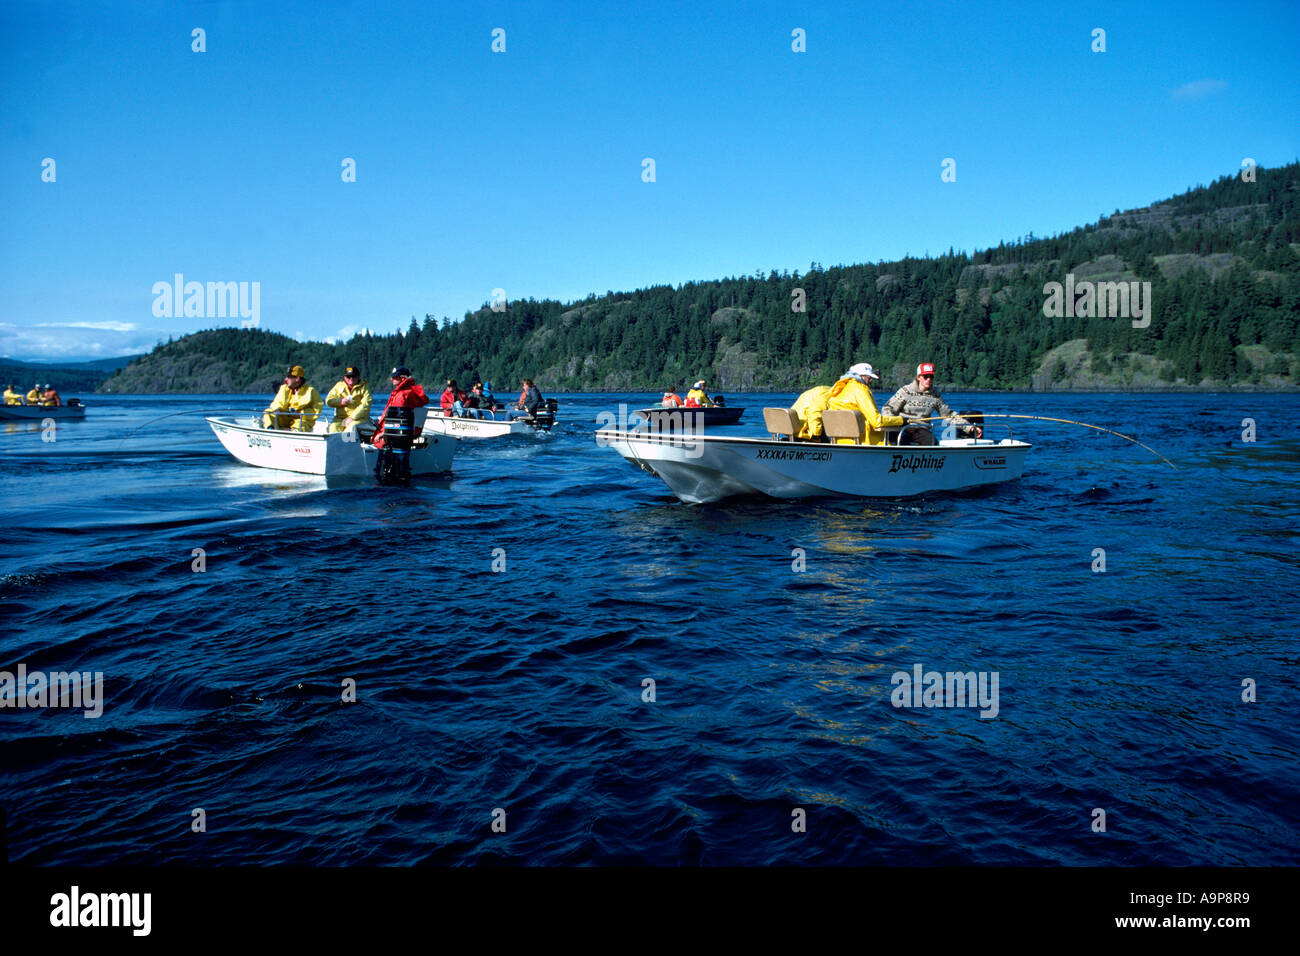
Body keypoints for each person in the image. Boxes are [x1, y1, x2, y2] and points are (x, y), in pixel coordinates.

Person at [881, 362, 981, 441]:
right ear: (918, 377)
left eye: (931, 377)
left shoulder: (935, 396)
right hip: (902, 426)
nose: (929, 379)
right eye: (926, 376)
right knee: (902, 440)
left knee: (932, 442)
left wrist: (969, 427)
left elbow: (949, 415)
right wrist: (893, 422)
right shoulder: (905, 391)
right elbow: (887, 408)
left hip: (921, 429)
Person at [826, 363, 905, 445]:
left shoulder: (840, 389)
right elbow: (877, 421)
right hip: (863, 441)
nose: (870, 381)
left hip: (839, 442)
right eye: (869, 377)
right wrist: (901, 420)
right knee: (904, 435)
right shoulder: (860, 390)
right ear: (862, 376)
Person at [372, 366, 429, 449]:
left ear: (402, 378)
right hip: (408, 432)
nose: (391, 379)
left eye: (394, 377)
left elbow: (397, 421)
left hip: (394, 435)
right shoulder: (412, 392)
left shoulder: (401, 396)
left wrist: (382, 434)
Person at [263, 365, 324, 431]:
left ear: (297, 378)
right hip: (285, 417)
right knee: (268, 412)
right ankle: (270, 430)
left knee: (301, 424)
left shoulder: (311, 391)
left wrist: (300, 413)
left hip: (300, 420)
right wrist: (276, 409)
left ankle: (294, 432)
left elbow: (317, 411)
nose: (286, 379)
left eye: (289, 377)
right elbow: (276, 403)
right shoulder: (284, 388)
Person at [325, 366, 373, 433]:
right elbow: (328, 400)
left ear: (358, 377)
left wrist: (352, 417)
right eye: (348, 377)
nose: (351, 379)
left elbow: (366, 405)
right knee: (334, 427)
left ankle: (349, 443)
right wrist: (340, 402)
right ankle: (336, 443)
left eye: (354, 376)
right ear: (344, 377)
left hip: (358, 419)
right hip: (340, 418)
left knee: (350, 429)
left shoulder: (364, 387)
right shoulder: (339, 385)